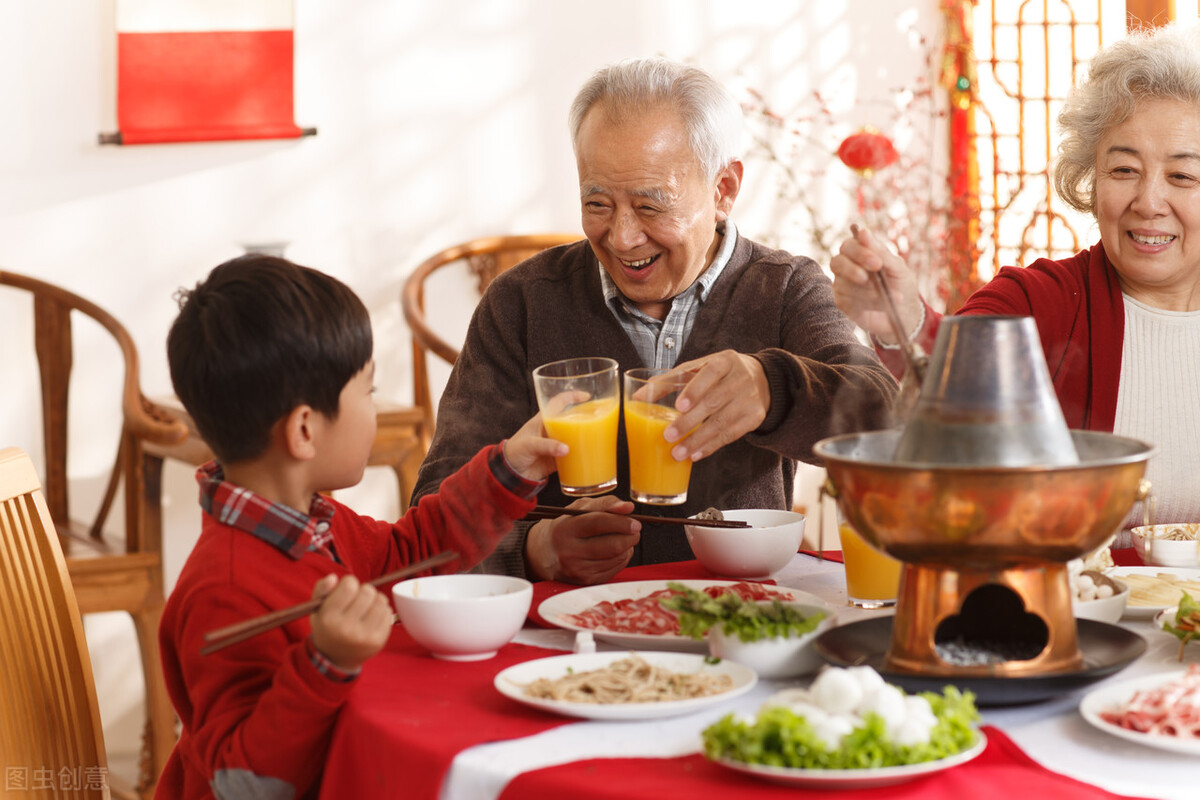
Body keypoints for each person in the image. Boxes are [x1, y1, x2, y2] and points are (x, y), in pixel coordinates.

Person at [412, 57, 897, 585]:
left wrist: (772, 388)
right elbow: (432, 515)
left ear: (723, 189)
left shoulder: (783, 289)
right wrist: (533, 550)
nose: (622, 238)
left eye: (650, 206)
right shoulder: (522, 303)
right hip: (568, 623)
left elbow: (886, 420)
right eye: (598, 203)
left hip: (734, 613)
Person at [156, 255, 564, 800]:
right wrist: (325, 664)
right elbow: (244, 783)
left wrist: (511, 469)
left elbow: (413, 554)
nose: (374, 409)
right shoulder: (223, 589)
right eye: (368, 392)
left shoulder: (315, 523)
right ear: (304, 430)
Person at [831, 23, 1200, 544]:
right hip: (1067, 591)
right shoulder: (1039, 301)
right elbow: (951, 384)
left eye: (1183, 176)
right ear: (1091, 178)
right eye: (1123, 170)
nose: (1148, 202)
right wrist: (904, 320)